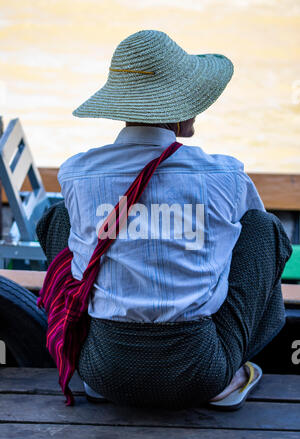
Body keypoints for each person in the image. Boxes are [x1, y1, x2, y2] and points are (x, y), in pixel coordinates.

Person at [36, 30, 292, 410]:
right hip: (201, 372)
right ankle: (232, 377)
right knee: (265, 230)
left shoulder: (77, 173)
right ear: (179, 108)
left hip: (100, 369)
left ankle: (95, 364)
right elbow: (251, 235)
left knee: (58, 217)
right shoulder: (223, 174)